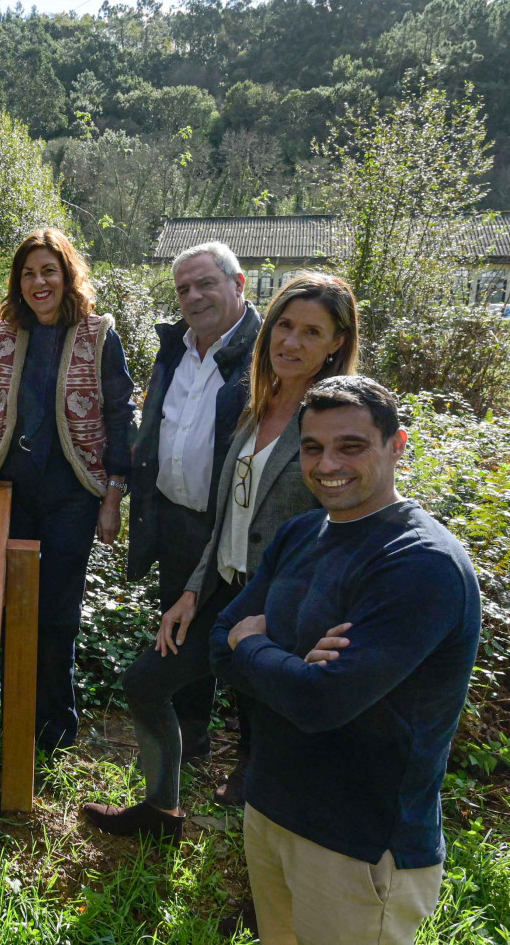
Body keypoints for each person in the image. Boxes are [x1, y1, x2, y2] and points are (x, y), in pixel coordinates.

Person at [84, 273, 359, 838]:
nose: (292, 342)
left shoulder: (334, 420)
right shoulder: (259, 403)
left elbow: (352, 527)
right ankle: (161, 811)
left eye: (313, 332)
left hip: (291, 609)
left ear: (336, 343)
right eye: (284, 325)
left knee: (278, 743)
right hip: (227, 592)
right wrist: (191, 590)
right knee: (146, 682)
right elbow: (228, 515)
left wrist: (293, 615)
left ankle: (271, 888)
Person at [209, 376, 480, 945]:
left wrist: (256, 646)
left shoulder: (418, 563)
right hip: (271, 806)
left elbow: (319, 700)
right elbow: (218, 640)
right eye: (312, 447)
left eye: (351, 446)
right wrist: (292, 665)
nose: (328, 462)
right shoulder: (301, 532)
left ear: (397, 446)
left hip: (360, 845)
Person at [0, 229, 135, 752]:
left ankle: (55, 731)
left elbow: (121, 417)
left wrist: (112, 496)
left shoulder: (98, 334)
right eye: (28, 273)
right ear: (18, 282)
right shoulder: (4, 336)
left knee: (58, 613)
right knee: (11, 607)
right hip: (10, 490)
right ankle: (13, 716)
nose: (39, 282)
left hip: (72, 496)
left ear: (67, 275)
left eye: (49, 271)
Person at [126, 242, 261, 774]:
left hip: (237, 528)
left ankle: (253, 767)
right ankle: (190, 740)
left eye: (205, 283)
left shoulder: (266, 352)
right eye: (183, 288)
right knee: (180, 638)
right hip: (178, 520)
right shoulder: (174, 348)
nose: (194, 296)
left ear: (239, 283)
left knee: (250, 640)